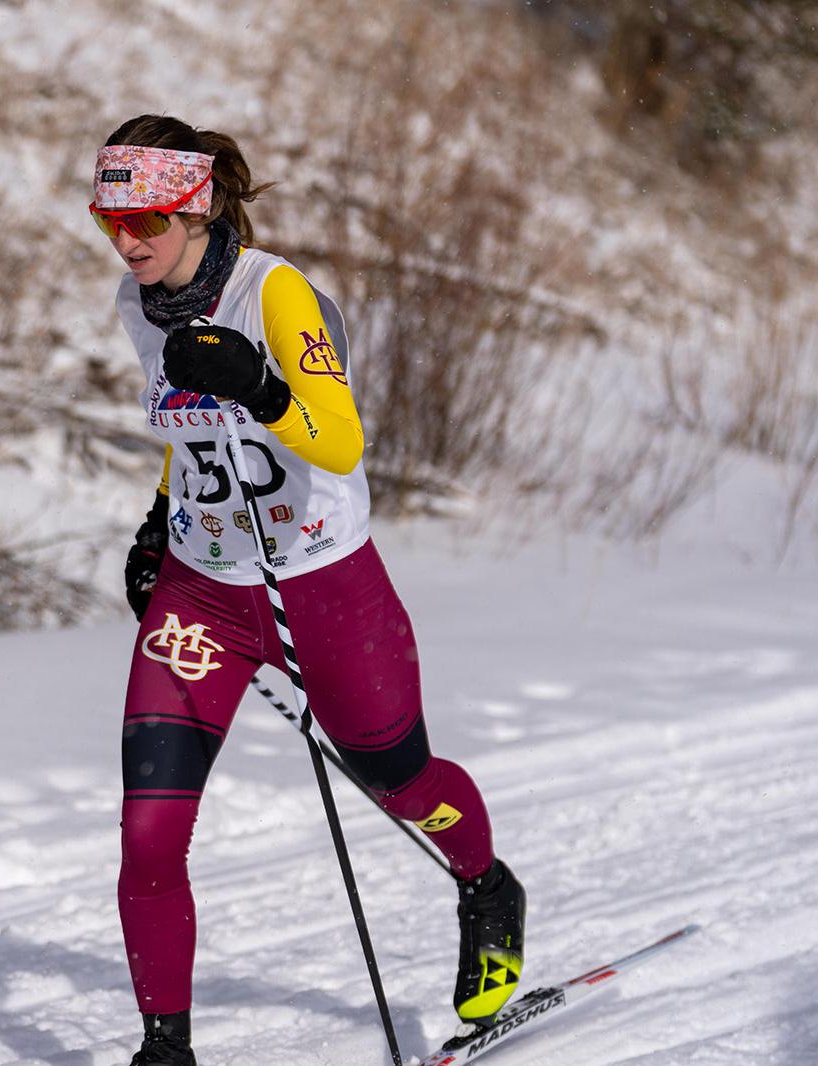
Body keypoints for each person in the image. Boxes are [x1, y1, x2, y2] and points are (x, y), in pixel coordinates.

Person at [91, 115, 527, 1066]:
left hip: (321, 581)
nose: (127, 244)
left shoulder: (274, 295)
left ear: (197, 205)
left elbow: (338, 441)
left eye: (146, 222)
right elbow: (192, 434)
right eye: (108, 221)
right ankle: (165, 1050)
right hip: (204, 595)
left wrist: (260, 385)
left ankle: (487, 887)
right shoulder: (139, 305)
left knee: (401, 782)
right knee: (150, 833)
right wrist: (160, 522)